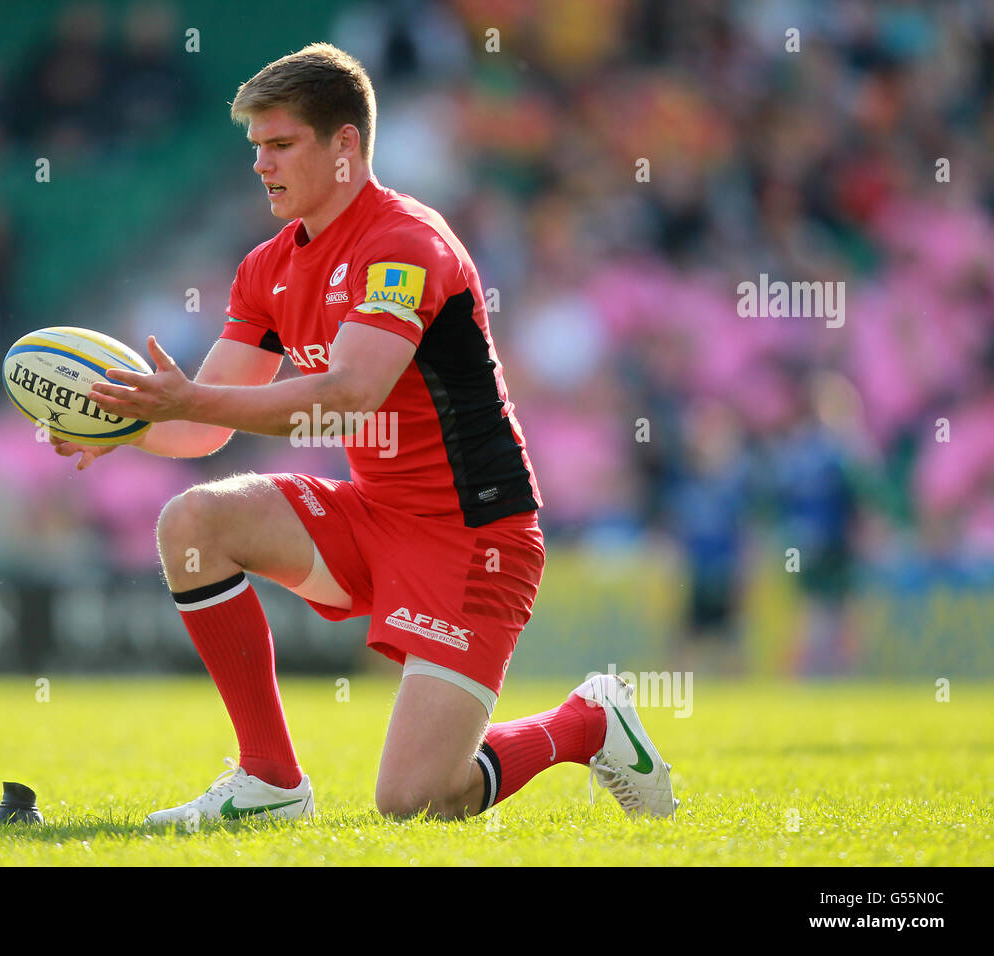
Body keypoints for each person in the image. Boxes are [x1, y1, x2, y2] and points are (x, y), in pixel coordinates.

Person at [53, 44, 676, 823]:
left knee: (415, 802)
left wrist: (184, 402)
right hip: (376, 516)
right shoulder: (266, 268)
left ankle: (587, 723)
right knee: (193, 521)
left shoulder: (405, 243)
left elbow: (349, 394)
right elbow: (202, 431)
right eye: (256, 149)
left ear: (345, 146)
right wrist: (126, 428)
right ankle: (271, 782)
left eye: (281, 146)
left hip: (475, 539)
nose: (262, 165)